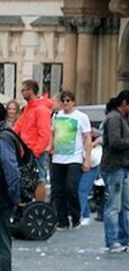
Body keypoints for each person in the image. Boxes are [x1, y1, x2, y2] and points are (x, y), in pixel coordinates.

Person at [101, 89, 129, 253]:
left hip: (123, 166)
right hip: (114, 167)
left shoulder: (123, 117)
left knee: (126, 205)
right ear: (125, 103)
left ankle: (124, 238)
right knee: (113, 206)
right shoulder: (114, 118)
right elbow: (114, 142)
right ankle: (112, 241)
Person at [49, 90, 92, 231]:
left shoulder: (81, 117)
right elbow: (52, 133)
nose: (66, 103)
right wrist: (50, 147)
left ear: (73, 102)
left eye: (68, 100)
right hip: (58, 158)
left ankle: (75, 216)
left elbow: (87, 138)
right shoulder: (56, 116)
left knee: (71, 187)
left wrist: (87, 159)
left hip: (74, 157)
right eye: (63, 101)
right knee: (58, 191)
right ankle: (62, 221)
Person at [13, 79, 54, 195]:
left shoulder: (41, 110)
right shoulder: (28, 109)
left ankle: (40, 207)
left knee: (39, 179)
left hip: (36, 152)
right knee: (27, 179)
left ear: (31, 91)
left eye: (24, 90)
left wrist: (35, 152)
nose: (22, 93)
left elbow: (45, 134)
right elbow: (18, 127)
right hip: (27, 151)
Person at [0, 103, 21, 271]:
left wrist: (14, 197)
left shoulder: (3, 138)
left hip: (2, 198)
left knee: (2, 240)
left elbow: (10, 169)